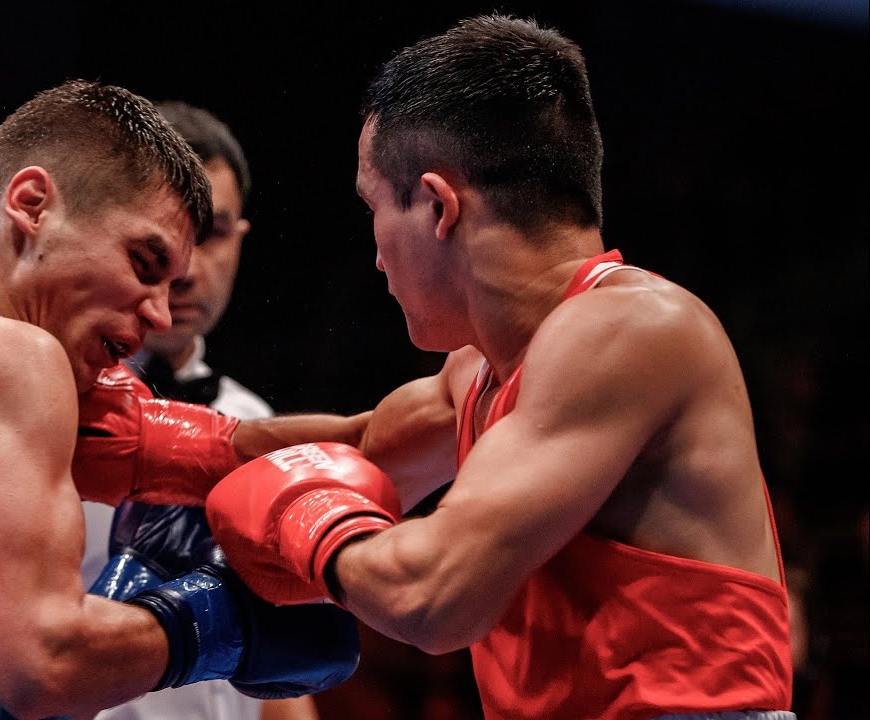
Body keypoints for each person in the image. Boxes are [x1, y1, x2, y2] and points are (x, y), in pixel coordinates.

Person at [204, 14, 795, 720]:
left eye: (373, 207)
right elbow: (354, 451)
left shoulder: (632, 330)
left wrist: (311, 530)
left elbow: (433, 594)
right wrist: (154, 445)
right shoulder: (479, 372)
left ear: (437, 205)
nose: (377, 256)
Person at [0, 78, 359, 720]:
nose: (161, 314)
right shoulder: (15, 356)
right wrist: (226, 624)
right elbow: (40, 666)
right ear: (31, 204)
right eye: (143, 263)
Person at [78, 99, 319, 720]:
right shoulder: (45, 402)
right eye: (162, 238)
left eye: (210, 233)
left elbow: (273, 663)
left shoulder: (255, 419)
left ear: (239, 239)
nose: (183, 269)